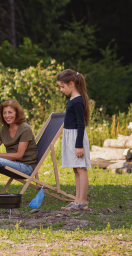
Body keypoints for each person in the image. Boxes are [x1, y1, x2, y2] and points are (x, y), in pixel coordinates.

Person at [57, 69, 91, 211]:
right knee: (76, 169)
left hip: (76, 138)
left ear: (71, 83)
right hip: (70, 137)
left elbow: (80, 124)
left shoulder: (77, 101)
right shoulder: (73, 98)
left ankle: (82, 201)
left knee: (81, 169)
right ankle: (77, 200)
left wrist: (78, 146)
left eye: (62, 86)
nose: (61, 89)